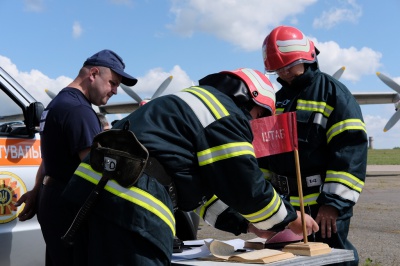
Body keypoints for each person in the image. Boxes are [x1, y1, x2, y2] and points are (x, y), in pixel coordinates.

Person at [61, 68, 319, 265]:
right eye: (260, 117)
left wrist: (248, 225)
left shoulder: (183, 106)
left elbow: (200, 194)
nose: (254, 125)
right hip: (130, 208)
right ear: (255, 103)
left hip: (84, 196)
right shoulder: (226, 114)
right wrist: (290, 218)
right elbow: (245, 185)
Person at [15, 49, 137, 266]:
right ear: (94, 74)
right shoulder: (79, 111)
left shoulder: (57, 104)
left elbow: (49, 157)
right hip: (70, 210)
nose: (116, 91)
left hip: (52, 201)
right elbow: (96, 170)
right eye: (113, 83)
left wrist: (36, 191)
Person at [260, 25, 368, 266]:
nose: (284, 73)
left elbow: (350, 153)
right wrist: (268, 203)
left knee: (333, 260)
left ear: (307, 57)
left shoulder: (334, 94)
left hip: (322, 208)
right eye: (278, 69)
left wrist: (333, 204)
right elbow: (266, 155)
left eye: (289, 66)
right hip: (286, 208)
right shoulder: (275, 101)